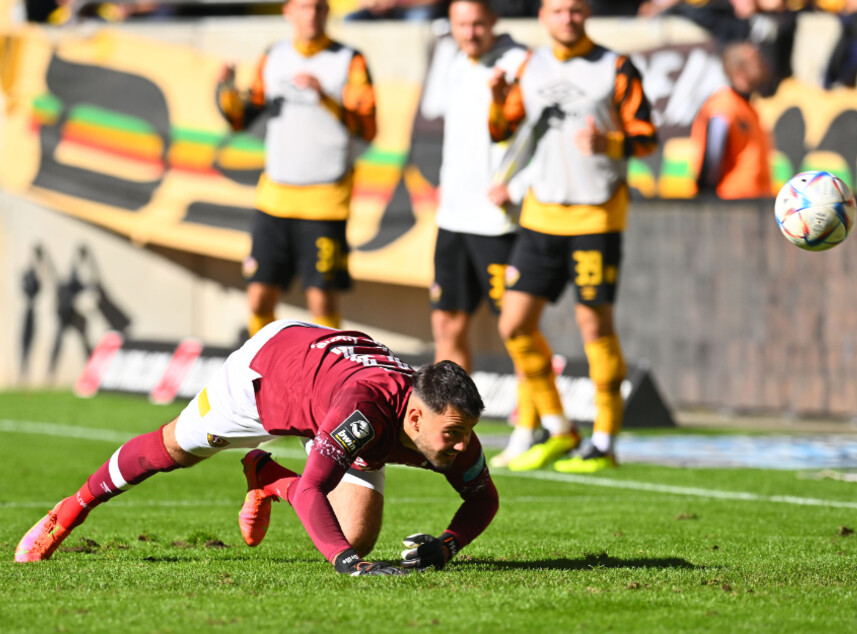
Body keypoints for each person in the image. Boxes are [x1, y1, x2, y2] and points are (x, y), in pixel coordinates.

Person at [15, 320, 497, 575]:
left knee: (355, 535)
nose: (460, 445)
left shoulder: (444, 426)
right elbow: (312, 489)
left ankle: (265, 477)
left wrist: (447, 546)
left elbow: (483, 497)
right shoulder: (364, 413)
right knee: (172, 449)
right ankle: (69, 510)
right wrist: (347, 566)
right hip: (270, 371)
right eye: (452, 434)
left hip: (332, 391)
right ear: (415, 417)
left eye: (464, 433)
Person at [487, 0, 658, 473]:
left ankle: (605, 441)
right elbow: (503, 130)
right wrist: (499, 99)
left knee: (594, 328)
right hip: (541, 214)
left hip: (596, 217)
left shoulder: (615, 67)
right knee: (514, 325)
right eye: (559, 10)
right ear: (543, 17)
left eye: (577, 10)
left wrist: (611, 143)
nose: (568, 18)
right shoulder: (529, 65)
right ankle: (561, 429)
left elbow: (647, 136)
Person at [216, 0, 377, 338]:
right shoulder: (274, 56)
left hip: (325, 200)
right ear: (288, 11)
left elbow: (368, 128)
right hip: (274, 197)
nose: (311, 15)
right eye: (303, 7)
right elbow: (242, 118)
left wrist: (325, 97)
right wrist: (225, 91)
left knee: (321, 300)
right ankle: (259, 378)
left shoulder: (349, 60)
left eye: (318, 7)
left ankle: (329, 380)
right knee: (259, 297)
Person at [422, 0, 537, 468]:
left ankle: (529, 426)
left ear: (494, 22)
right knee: (447, 324)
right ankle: (449, 425)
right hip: (454, 217)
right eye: (461, 25)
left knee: (515, 328)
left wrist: (519, 185)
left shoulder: (521, 63)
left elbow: (543, 134)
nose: (469, 33)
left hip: (498, 219)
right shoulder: (449, 58)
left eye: (477, 24)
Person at [691, 42, 772, 199]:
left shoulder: (748, 107)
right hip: (731, 206)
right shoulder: (724, 105)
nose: (762, 65)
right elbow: (712, 159)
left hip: (753, 205)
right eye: (755, 61)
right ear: (739, 72)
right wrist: (707, 203)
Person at [344, 0, 447, 20]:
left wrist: (394, 3)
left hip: (413, 10)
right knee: (350, 19)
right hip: (381, 12)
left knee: (419, 18)